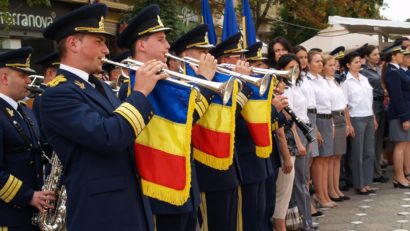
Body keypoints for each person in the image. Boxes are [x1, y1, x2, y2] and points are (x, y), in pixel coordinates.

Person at [40, 3, 167, 230]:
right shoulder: (57, 94)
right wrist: (140, 93)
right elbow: (109, 137)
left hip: (131, 204)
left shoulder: (101, 87)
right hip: (101, 213)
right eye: (99, 42)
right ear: (73, 44)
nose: (107, 51)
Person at [0, 46, 55, 230]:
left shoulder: (26, 112)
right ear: (4, 78)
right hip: (8, 215)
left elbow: (37, 151)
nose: (29, 81)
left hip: (31, 215)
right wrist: (29, 196)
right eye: (23, 75)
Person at [341, 51, 377, 195]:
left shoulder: (364, 79)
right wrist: (348, 124)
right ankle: (359, 183)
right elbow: (345, 106)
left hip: (368, 116)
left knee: (369, 152)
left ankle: (368, 182)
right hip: (356, 118)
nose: (359, 64)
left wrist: (373, 116)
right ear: (348, 65)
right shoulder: (346, 83)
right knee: (357, 153)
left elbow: (369, 100)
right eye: (355, 62)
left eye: (359, 61)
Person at [307, 51, 335, 208]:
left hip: (327, 118)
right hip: (317, 119)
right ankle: (319, 194)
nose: (320, 64)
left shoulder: (322, 80)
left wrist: (331, 122)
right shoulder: (308, 80)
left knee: (325, 159)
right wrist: (316, 128)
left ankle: (324, 193)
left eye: (320, 62)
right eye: (316, 61)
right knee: (318, 160)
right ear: (309, 64)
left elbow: (328, 103)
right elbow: (313, 105)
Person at [321, 55, 350, 202]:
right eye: (330, 65)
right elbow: (327, 104)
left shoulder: (334, 81)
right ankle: (330, 190)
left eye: (335, 65)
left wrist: (348, 123)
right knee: (331, 157)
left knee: (338, 156)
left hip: (340, 117)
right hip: (331, 117)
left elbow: (343, 104)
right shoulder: (323, 83)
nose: (333, 68)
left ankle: (336, 187)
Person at [359, 45, 389, 183]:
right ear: (366, 56)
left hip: (380, 104)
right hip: (371, 105)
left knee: (378, 141)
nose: (378, 56)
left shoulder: (377, 69)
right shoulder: (364, 71)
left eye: (378, 54)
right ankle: (372, 172)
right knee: (372, 141)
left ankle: (376, 170)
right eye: (375, 54)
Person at [382, 44, 410, 188]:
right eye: (400, 54)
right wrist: (404, 117)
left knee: (405, 144)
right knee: (400, 145)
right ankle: (399, 176)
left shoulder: (398, 71)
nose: (403, 56)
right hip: (399, 114)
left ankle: (402, 175)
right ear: (393, 56)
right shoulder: (392, 72)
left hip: (404, 112)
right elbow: (397, 96)